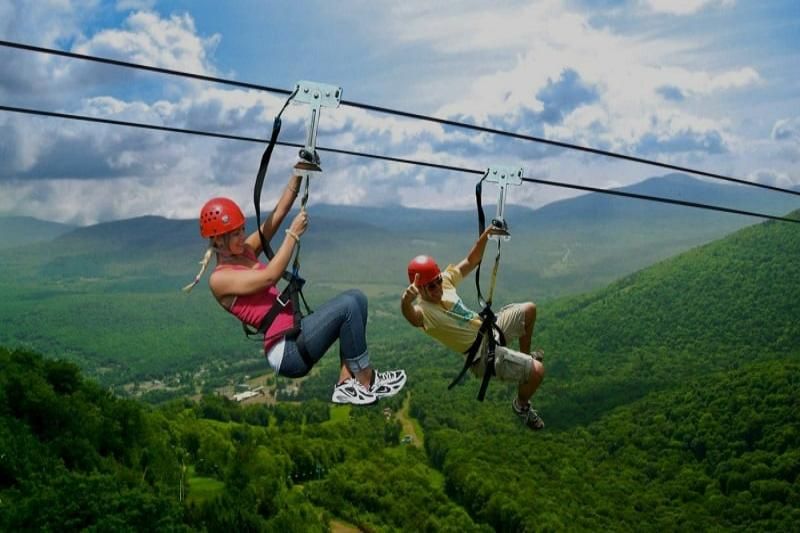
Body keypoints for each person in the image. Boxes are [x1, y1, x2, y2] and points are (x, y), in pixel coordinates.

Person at [184, 168, 406, 405]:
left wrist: (298, 171)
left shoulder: (245, 251)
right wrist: (293, 234)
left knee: (357, 298)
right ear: (218, 240)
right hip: (285, 351)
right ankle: (365, 379)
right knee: (349, 306)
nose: (242, 236)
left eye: (241, 230)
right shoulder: (220, 279)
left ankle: (346, 381)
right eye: (234, 233)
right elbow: (270, 276)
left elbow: (278, 213)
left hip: (294, 334)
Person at [400, 227, 545, 430]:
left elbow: (471, 261)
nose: (438, 287)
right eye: (431, 286)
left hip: (490, 331)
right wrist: (406, 302)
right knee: (537, 372)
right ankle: (521, 405)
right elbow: (412, 318)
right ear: (420, 289)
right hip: (482, 356)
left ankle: (525, 358)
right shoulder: (424, 312)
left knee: (529, 310)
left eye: (438, 281)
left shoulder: (446, 282)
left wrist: (487, 235)